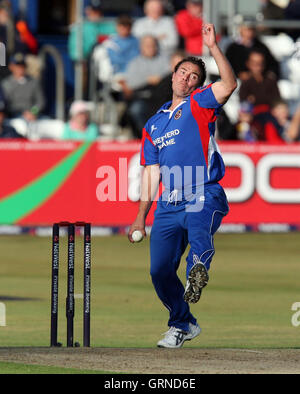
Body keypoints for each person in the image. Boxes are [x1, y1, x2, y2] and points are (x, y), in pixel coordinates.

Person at [128, 24, 237, 348]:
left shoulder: (201, 104)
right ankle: (183, 323)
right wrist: (139, 218)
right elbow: (151, 172)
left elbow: (229, 84)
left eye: (194, 76)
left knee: (200, 227)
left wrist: (214, 48)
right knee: (159, 271)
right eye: (183, 72)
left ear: (197, 85)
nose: (187, 78)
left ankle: (197, 270)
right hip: (168, 204)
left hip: (203, 190)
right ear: (173, 75)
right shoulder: (153, 124)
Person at [119, 35, 170, 138]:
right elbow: (131, 83)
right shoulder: (134, 63)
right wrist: (148, 79)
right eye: (147, 46)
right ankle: (148, 137)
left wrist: (157, 78)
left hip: (163, 97)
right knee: (136, 110)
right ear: (141, 47)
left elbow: (169, 74)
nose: (150, 48)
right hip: (142, 98)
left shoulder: (164, 60)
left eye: (152, 45)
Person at [1, 52, 45, 121]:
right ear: (11, 67)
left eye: (22, 66)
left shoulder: (33, 82)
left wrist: (33, 112)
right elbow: (5, 105)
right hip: (13, 117)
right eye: (17, 66)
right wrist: (20, 114)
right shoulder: (5, 84)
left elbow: (40, 102)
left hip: (33, 117)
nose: (20, 69)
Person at [239, 49, 281, 113]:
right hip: (252, 115)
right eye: (254, 63)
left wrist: (254, 98)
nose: (257, 67)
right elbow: (244, 101)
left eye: (260, 63)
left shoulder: (270, 81)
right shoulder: (246, 82)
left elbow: (276, 100)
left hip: (270, 114)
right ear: (248, 64)